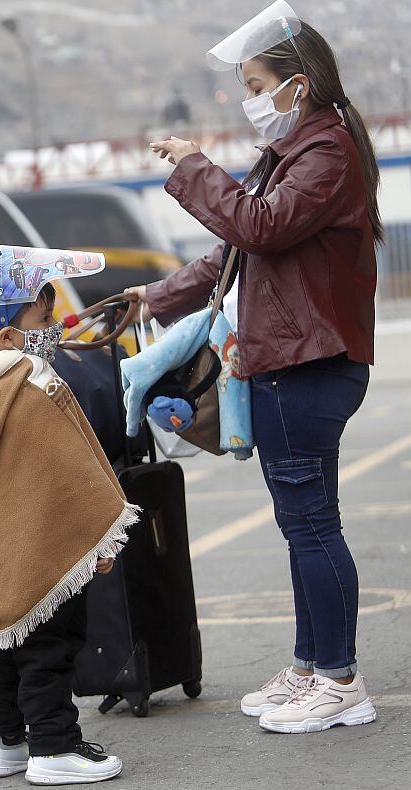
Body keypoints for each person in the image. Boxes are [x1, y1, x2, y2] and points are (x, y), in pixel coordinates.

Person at [125, 1, 380, 733]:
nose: (251, 100)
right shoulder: (294, 155)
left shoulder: (325, 153)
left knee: (312, 525)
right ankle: (310, 665)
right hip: (288, 361)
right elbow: (233, 253)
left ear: (298, 84)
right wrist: (155, 296)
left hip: (310, 362)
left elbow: (255, 226)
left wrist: (194, 167)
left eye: (257, 83)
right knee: (302, 524)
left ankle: (340, 678)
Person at [0, 245, 137, 785]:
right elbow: (75, 470)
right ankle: (54, 747)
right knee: (51, 644)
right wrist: (100, 541)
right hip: (41, 550)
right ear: (7, 337)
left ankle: (3, 741)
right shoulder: (34, 385)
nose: (54, 329)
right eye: (43, 319)